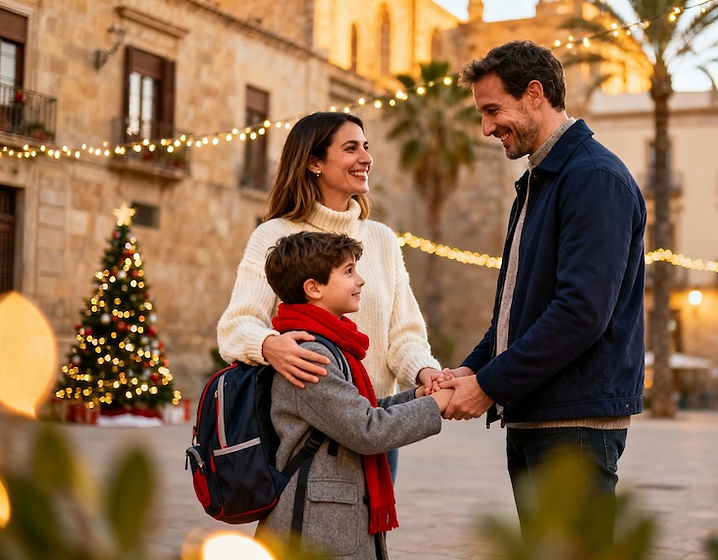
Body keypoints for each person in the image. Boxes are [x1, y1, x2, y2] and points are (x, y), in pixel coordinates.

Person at [440, 40, 646, 544]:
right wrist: (471, 368)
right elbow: (516, 307)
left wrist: (489, 386)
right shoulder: (542, 181)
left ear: (534, 94)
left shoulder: (593, 179)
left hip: (573, 425)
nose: (487, 128)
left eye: (492, 110)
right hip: (538, 418)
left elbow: (580, 313)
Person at [217, 112, 442, 481]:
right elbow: (237, 325)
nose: (366, 158)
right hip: (305, 434)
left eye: (366, 147)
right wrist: (270, 346)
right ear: (314, 162)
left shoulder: (382, 240)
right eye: (351, 148)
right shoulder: (274, 235)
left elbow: (404, 335)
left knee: (371, 537)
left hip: (378, 421)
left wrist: (424, 370)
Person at [256, 230, 453, 558]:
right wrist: (437, 403)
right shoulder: (309, 353)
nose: (360, 280)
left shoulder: (332, 345)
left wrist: (419, 394)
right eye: (348, 271)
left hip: (331, 520)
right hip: (313, 525)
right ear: (313, 288)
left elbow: (363, 409)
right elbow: (367, 429)